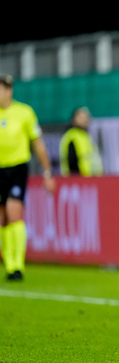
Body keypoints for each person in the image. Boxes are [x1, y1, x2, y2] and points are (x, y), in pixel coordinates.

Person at [0, 75, 55, 280]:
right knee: (4, 217)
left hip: (16, 169)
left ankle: (17, 265)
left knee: (15, 212)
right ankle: (8, 263)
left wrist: (47, 172)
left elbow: (38, 144)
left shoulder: (24, 113)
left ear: (9, 91)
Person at [59, 107, 103, 177]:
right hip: (78, 180)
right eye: (81, 117)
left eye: (86, 117)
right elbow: (72, 161)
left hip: (91, 181)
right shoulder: (72, 136)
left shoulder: (86, 136)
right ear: (74, 119)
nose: (85, 120)